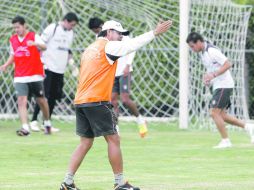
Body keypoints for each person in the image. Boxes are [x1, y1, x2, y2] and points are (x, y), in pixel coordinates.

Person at [59, 19, 172, 190]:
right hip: (97, 100)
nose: (121, 37)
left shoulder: (90, 49)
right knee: (113, 139)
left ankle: (67, 183)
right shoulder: (108, 46)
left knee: (85, 143)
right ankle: (120, 184)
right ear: (109, 32)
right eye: (119, 34)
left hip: (81, 101)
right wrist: (154, 33)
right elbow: (132, 45)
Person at [186, 32, 254, 148]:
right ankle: (249, 127)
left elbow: (228, 64)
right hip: (218, 85)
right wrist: (208, 78)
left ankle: (226, 141)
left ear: (199, 42)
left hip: (224, 85)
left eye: (192, 46)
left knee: (213, 112)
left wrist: (214, 75)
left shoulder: (212, 51)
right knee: (222, 115)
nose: (192, 49)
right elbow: (212, 69)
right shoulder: (202, 53)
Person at [88, 17, 148, 138]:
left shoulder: (121, 35)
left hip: (124, 71)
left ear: (103, 28)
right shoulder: (99, 39)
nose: (96, 32)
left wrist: (128, 65)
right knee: (113, 101)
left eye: (96, 29)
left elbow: (133, 48)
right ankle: (116, 128)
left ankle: (140, 120)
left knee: (125, 99)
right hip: (112, 73)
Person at [0, 16, 52, 136]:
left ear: (24, 26)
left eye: (18, 27)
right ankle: (25, 128)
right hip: (20, 75)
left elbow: (44, 47)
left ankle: (47, 123)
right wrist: (6, 65)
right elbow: (13, 55)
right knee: (21, 101)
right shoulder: (12, 39)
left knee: (41, 101)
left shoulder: (33, 36)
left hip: (35, 75)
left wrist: (34, 43)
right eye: (14, 28)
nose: (16, 30)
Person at [30, 12, 79, 132]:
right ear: (66, 21)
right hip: (48, 67)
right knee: (43, 95)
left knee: (53, 96)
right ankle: (34, 120)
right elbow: (41, 44)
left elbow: (68, 51)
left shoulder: (71, 33)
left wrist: (73, 66)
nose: (72, 27)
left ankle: (47, 123)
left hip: (60, 69)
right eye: (71, 24)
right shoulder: (53, 28)